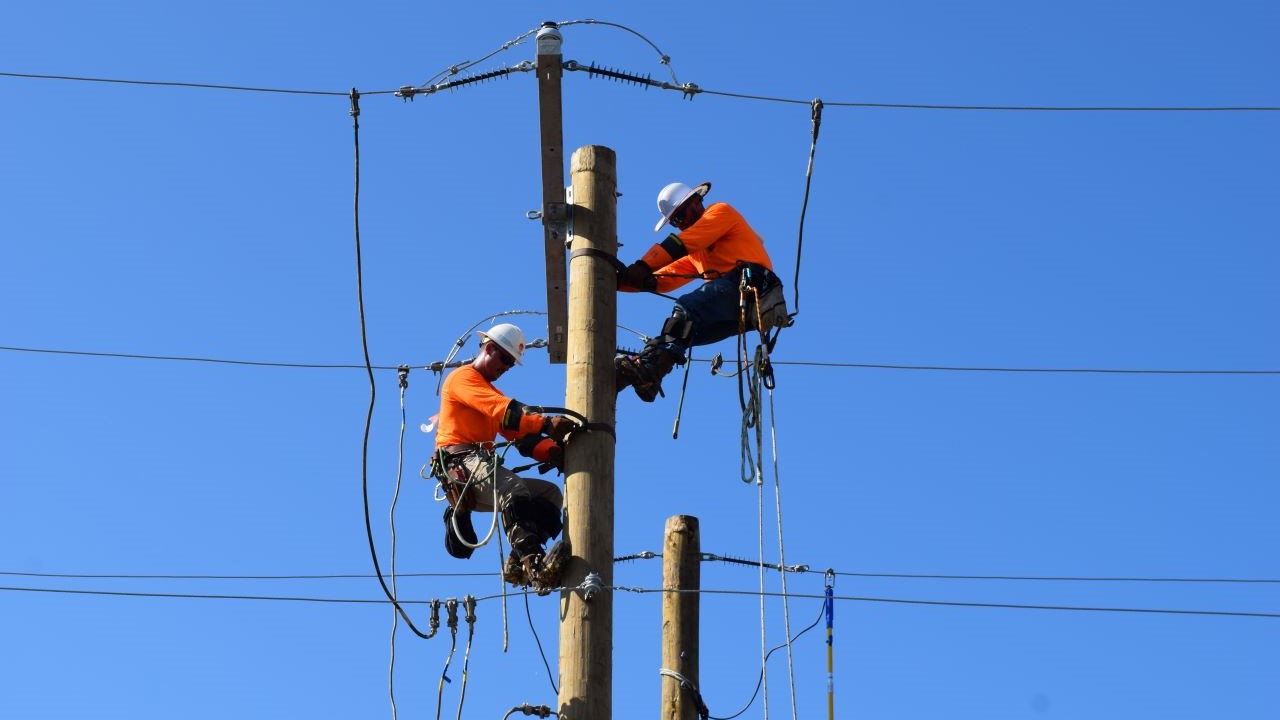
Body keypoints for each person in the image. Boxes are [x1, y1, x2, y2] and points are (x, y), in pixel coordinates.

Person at [430, 323, 575, 591]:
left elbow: (520, 434)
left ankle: (517, 563)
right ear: (488, 348)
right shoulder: (463, 378)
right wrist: (546, 423)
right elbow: (504, 411)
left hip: (479, 463)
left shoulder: (491, 394)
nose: (506, 367)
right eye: (506, 359)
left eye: (511, 364)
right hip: (461, 462)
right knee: (513, 487)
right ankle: (534, 564)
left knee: (550, 494)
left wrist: (552, 451)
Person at [616, 181, 787, 401]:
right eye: (675, 221)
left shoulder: (721, 212)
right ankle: (640, 377)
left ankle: (649, 370)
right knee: (681, 334)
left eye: (681, 216)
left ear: (696, 202)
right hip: (739, 308)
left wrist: (642, 265)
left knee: (688, 308)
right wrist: (619, 281)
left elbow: (680, 243)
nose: (680, 224)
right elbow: (665, 277)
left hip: (753, 285)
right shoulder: (696, 252)